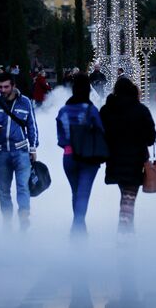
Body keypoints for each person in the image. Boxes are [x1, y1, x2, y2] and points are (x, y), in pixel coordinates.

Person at [0, 72, 39, 230]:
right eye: (0, 87)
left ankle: (23, 218)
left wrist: (33, 148)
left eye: (6, 86)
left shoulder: (25, 102)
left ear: (13, 86)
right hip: (1, 151)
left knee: (23, 186)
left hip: (21, 150)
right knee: (3, 189)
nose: (2, 89)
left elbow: (32, 126)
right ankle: (7, 220)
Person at [100, 77, 156, 233]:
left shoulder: (106, 110)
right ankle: (124, 233)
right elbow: (151, 138)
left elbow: (100, 134)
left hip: (114, 160)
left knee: (126, 195)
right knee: (129, 197)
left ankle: (127, 230)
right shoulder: (141, 110)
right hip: (135, 161)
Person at [56, 73, 104, 235]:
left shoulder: (63, 111)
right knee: (83, 194)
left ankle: (79, 229)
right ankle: (77, 228)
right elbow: (101, 131)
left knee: (75, 193)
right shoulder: (91, 110)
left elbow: (61, 139)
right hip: (88, 157)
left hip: (68, 157)